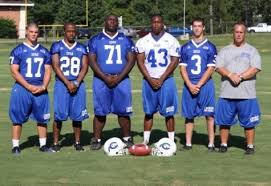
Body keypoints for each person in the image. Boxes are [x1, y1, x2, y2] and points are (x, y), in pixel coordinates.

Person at [87, 14, 136, 150]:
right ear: (105, 21)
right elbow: (92, 61)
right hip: (101, 80)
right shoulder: (95, 40)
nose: (112, 22)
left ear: (117, 23)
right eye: (110, 19)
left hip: (122, 80)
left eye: (115, 20)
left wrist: (119, 77)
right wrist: (105, 77)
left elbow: (132, 60)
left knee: (124, 112)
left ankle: (127, 138)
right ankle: (96, 139)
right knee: (100, 112)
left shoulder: (125, 39)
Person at [215, 21, 261, 154]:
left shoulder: (252, 50)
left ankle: (250, 146)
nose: (239, 34)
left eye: (241, 32)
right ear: (233, 33)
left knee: (249, 123)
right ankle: (223, 144)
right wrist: (230, 75)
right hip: (227, 94)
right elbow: (218, 67)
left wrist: (240, 77)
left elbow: (255, 68)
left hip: (247, 95)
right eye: (236, 32)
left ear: (245, 34)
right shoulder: (225, 50)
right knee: (224, 122)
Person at [136, 14, 180, 145]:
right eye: (154, 22)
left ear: (163, 23)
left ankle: (171, 141)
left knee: (169, 112)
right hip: (149, 80)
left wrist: (161, 78)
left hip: (167, 80)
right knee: (148, 112)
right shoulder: (143, 41)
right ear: (151, 23)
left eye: (158, 22)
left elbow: (174, 61)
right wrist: (150, 79)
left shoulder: (171, 40)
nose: (156, 24)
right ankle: (146, 140)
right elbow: (140, 62)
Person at [9, 23, 52, 154]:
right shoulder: (18, 50)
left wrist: (44, 86)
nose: (34, 34)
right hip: (22, 88)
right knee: (17, 118)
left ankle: (43, 145)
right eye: (31, 32)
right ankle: (15, 146)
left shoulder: (44, 51)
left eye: (36, 32)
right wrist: (28, 86)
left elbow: (48, 70)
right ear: (27, 32)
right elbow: (14, 71)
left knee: (42, 118)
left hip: (40, 88)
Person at [50, 23, 89, 152]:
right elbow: (56, 66)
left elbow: (84, 67)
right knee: (59, 115)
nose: (71, 33)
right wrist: (67, 83)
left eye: (73, 31)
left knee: (78, 116)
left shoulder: (82, 47)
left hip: (78, 84)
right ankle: (56, 143)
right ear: (64, 32)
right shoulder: (57, 46)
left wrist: (76, 83)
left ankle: (77, 142)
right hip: (62, 84)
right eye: (69, 31)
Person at [179, 17, 216, 151]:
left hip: (205, 85)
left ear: (203, 28)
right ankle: (188, 143)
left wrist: (199, 85)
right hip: (189, 85)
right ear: (191, 27)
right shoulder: (185, 47)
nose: (197, 28)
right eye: (194, 26)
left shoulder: (210, 47)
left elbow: (210, 68)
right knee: (189, 116)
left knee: (210, 115)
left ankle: (211, 143)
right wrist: (190, 85)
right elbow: (182, 68)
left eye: (199, 26)